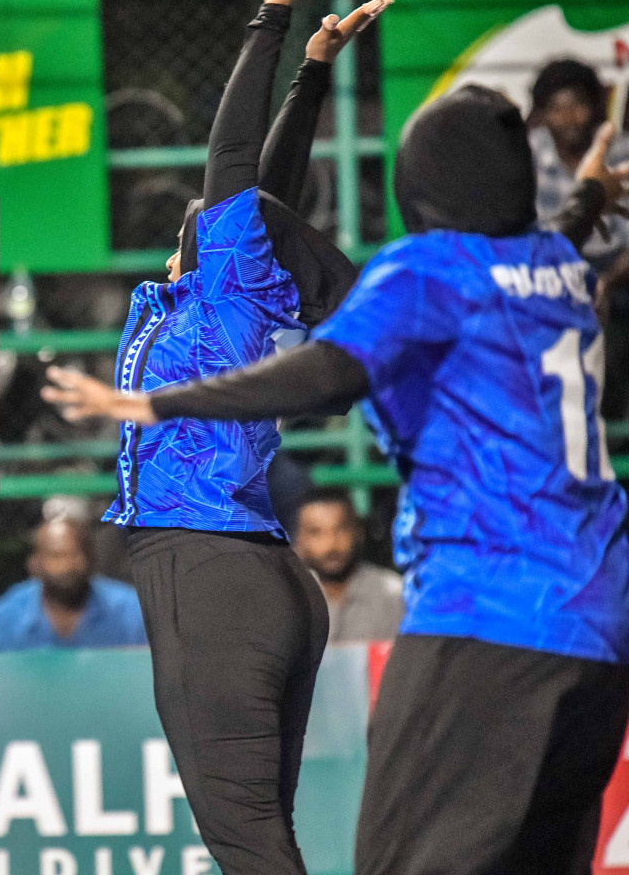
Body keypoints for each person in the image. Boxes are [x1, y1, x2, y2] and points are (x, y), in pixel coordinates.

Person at [55, 98, 629, 873]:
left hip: (489, 619)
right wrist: (588, 197)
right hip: (600, 623)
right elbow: (550, 236)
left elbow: (327, 377)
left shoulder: (420, 276)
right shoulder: (551, 267)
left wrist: (156, 402)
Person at [43, 0, 388, 875]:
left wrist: (269, 18)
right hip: (262, 576)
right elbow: (266, 186)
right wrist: (313, 73)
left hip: (209, 570)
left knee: (249, 848)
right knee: (265, 844)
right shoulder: (241, 291)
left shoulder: (232, 291)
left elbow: (235, 165)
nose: (200, 209)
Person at [0, 515, 146, 651]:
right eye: (56, 555)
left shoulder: (130, 612)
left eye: (77, 554)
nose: (69, 565)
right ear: (34, 564)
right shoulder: (4, 620)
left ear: (92, 559)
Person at [527, 58, 629, 271]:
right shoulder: (529, 152)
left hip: (617, 266)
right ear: (542, 115)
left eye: (577, 105)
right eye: (556, 108)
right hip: (552, 263)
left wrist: (608, 282)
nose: (568, 118)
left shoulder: (621, 151)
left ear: (594, 106)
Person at [293, 488, 402, 643]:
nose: (331, 544)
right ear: (298, 541)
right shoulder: (284, 599)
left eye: (341, 529)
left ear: (359, 532)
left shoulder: (393, 595)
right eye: (316, 532)